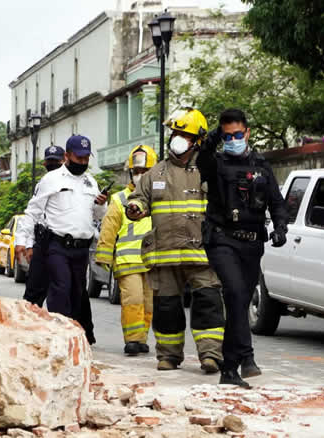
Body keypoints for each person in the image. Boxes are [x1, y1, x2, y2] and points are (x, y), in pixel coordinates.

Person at [126, 107, 225, 374]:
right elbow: (138, 199)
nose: (176, 138)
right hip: (165, 254)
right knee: (166, 308)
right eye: (174, 133)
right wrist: (135, 207)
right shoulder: (154, 174)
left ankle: (211, 355)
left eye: (183, 134)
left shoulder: (210, 170)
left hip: (202, 254)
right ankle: (168, 356)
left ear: (198, 140)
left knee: (208, 305)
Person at [198, 109, 288, 388]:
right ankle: (231, 368)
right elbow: (201, 161)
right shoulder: (217, 163)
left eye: (238, 135)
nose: (234, 140)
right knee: (235, 294)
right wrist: (213, 138)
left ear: (247, 133)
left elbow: (276, 200)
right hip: (222, 240)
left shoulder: (261, 164)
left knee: (242, 300)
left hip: (252, 243)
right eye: (228, 136)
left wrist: (281, 227)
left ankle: (244, 358)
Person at [15, 135, 107, 344]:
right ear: (67, 156)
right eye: (79, 157)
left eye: (86, 159)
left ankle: (74, 335)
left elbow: (98, 216)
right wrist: (23, 240)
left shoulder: (90, 181)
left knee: (77, 293)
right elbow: (33, 211)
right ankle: (59, 336)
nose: (82, 162)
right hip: (57, 244)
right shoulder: (52, 179)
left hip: (81, 249)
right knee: (61, 287)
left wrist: (101, 204)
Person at [95, 145, 157, 356]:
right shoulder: (120, 199)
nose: (140, 175)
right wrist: (103, 255)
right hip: (127, 260)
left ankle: (141, 339)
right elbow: (109, 228)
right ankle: (132, 340)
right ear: (130, 172)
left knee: (148, 304)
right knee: (133, 300)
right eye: (137, 171)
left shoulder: (160, 197)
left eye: (145, 171)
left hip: (152, 262)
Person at [21, 145, 66, 307]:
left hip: (64, 245)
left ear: (64, 160)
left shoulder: (75, 182)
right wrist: (28, 244)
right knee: (33, 295)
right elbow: (35, 215)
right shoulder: (43, 184)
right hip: (43, 242)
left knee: (62, 296)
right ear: (44, 164)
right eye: (50, 161)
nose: (53, 164)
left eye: (56, 161)